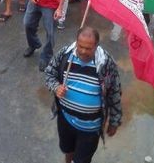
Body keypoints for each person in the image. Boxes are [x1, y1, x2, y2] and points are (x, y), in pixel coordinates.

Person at [44, 26, 122, 163]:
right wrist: (56, 87)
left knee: (82, 160)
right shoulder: (65, 54)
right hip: (65, 120)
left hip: (90, 129)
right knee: (67, 150)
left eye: (88, 48)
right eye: (80, 46)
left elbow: (114, 92)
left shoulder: (106, 63)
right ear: (76, 41)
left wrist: (115, 121)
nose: (83, 51)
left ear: (97, 46)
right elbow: (49, 73)